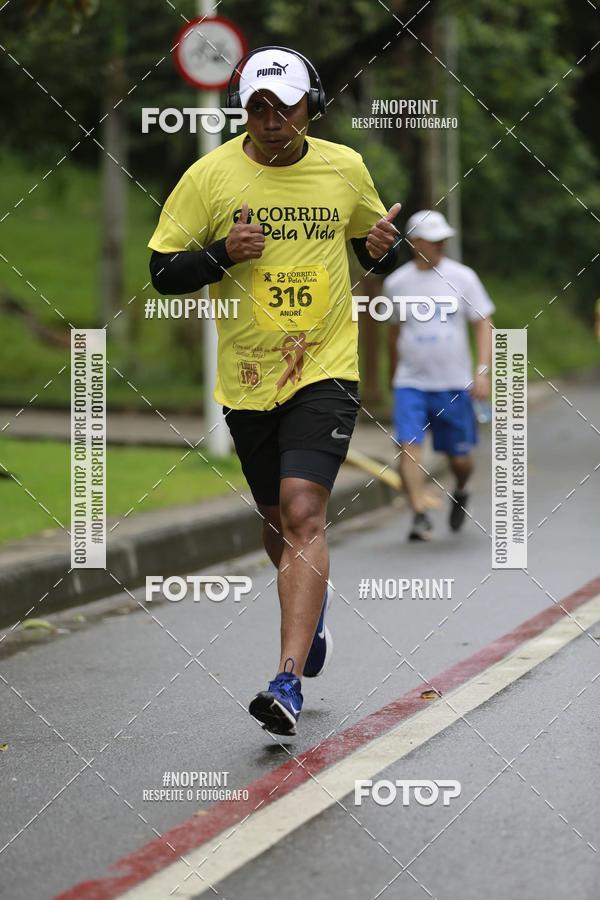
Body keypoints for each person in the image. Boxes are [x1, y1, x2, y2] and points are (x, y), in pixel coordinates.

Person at [148, 46, 401, 735]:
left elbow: (375, 244)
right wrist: (222, 254)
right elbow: (163, 272)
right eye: (257, 105)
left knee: (302, 512)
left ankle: (285, 680)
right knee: (277, 523)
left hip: (325, 367)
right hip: (249, 376)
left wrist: (383, 246)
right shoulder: (209, 177)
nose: (270, 118)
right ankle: (311, 612)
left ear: (308, 104)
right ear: (244, 109)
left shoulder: (344, 168)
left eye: (282, 105)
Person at [384, 210, 494, 542]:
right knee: (409, 447)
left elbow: (483, 323)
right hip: (411, 383)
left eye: (444, 240)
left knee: (460, 459)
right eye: (434, 241)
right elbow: (393, 331)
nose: (441, 246)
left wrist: (482, 371)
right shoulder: (396, 283)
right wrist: (394, 373)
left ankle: (460, 490)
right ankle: (419, 515)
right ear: (415, 243)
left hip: (454, 383)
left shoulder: (463, 277)